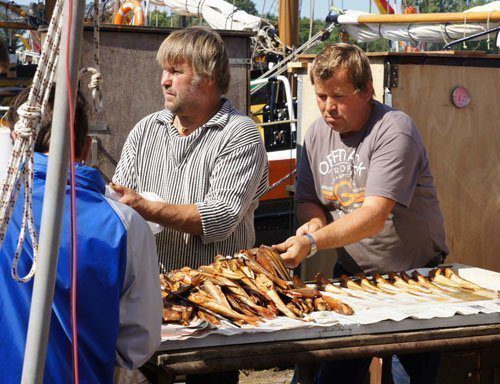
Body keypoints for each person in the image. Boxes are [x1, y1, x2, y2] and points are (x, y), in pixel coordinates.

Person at [273, 43, 449, 384]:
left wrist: (311, 241)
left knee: (405, 380)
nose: (327, 108)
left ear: (367, 90)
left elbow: (373, 216)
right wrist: (313, 221)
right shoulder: (315, 134)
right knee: (331, 378)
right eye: (321, 96)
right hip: (352, 275)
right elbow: (310, 200)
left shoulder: (394, 130)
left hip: (415, 280)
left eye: (338, 96)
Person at [0, 87, 162, 383]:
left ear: (15, 140)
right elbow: (139, 341)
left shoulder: (4, 208)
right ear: (87, 147)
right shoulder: (125, 224)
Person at [111, 26, 269, 271]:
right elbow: (120, 201)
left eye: (176, 71)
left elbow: (220, 218)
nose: (164, 80)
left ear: (208, 77)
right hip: (150, 285)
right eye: (164, 70)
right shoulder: (146, 129)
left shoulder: (240, 133)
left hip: (216, 291)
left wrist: (147, 208)